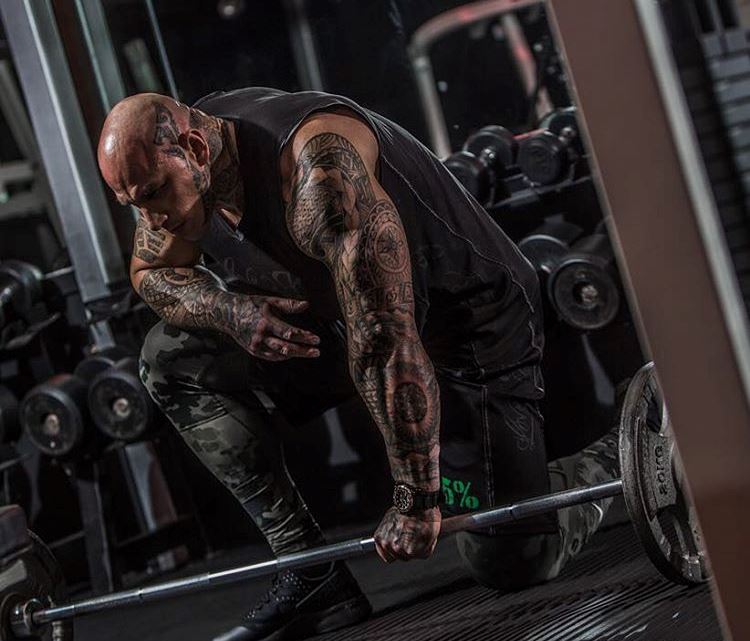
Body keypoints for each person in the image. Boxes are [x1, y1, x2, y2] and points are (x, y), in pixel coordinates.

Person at [97, 88, 620, 641]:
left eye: (152, 194)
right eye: (132, 202)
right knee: (167, 358)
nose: (148, 215)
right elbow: (150, 271)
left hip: (469, 328)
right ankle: (309, 570)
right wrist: (233, 311)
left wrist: (415, 497)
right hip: (340, 323)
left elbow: (384, 337)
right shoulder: (167, 172)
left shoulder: (319, 170)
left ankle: (617, 454)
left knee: (514, 557)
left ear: (196, 149)